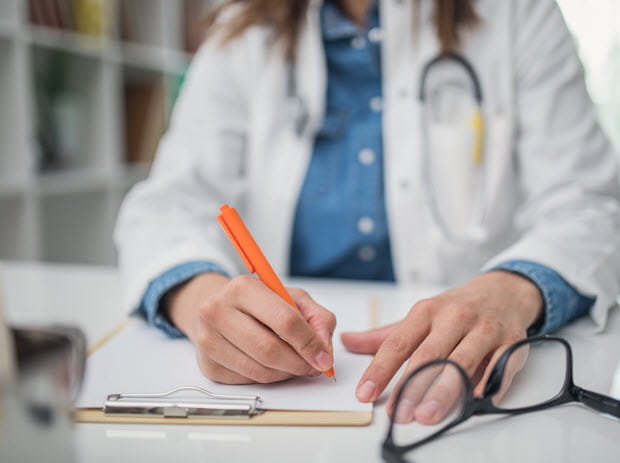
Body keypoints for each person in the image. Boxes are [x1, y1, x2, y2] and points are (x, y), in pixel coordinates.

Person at [114, 0, 620, 423]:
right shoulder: (243, 30)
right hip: (285, 400)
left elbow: (589, 206)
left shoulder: (517, 13)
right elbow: (166, 207)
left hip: (468, 388)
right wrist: (203, 300)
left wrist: (513, 290)